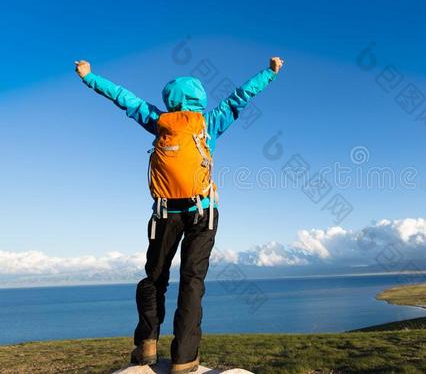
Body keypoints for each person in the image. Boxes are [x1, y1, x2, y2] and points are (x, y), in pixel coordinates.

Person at [75, 56, 283, 373]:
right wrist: (270, 71)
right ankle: (184, 358)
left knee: (155, 278)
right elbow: (241, 96)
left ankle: (146, 344)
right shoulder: (208, 123)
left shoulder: (159, 122)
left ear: (169, 100)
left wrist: (89, 76)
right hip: (203, 212)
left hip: (164, 212)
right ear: (199, 99)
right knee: (191, 281)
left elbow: (123, 97)